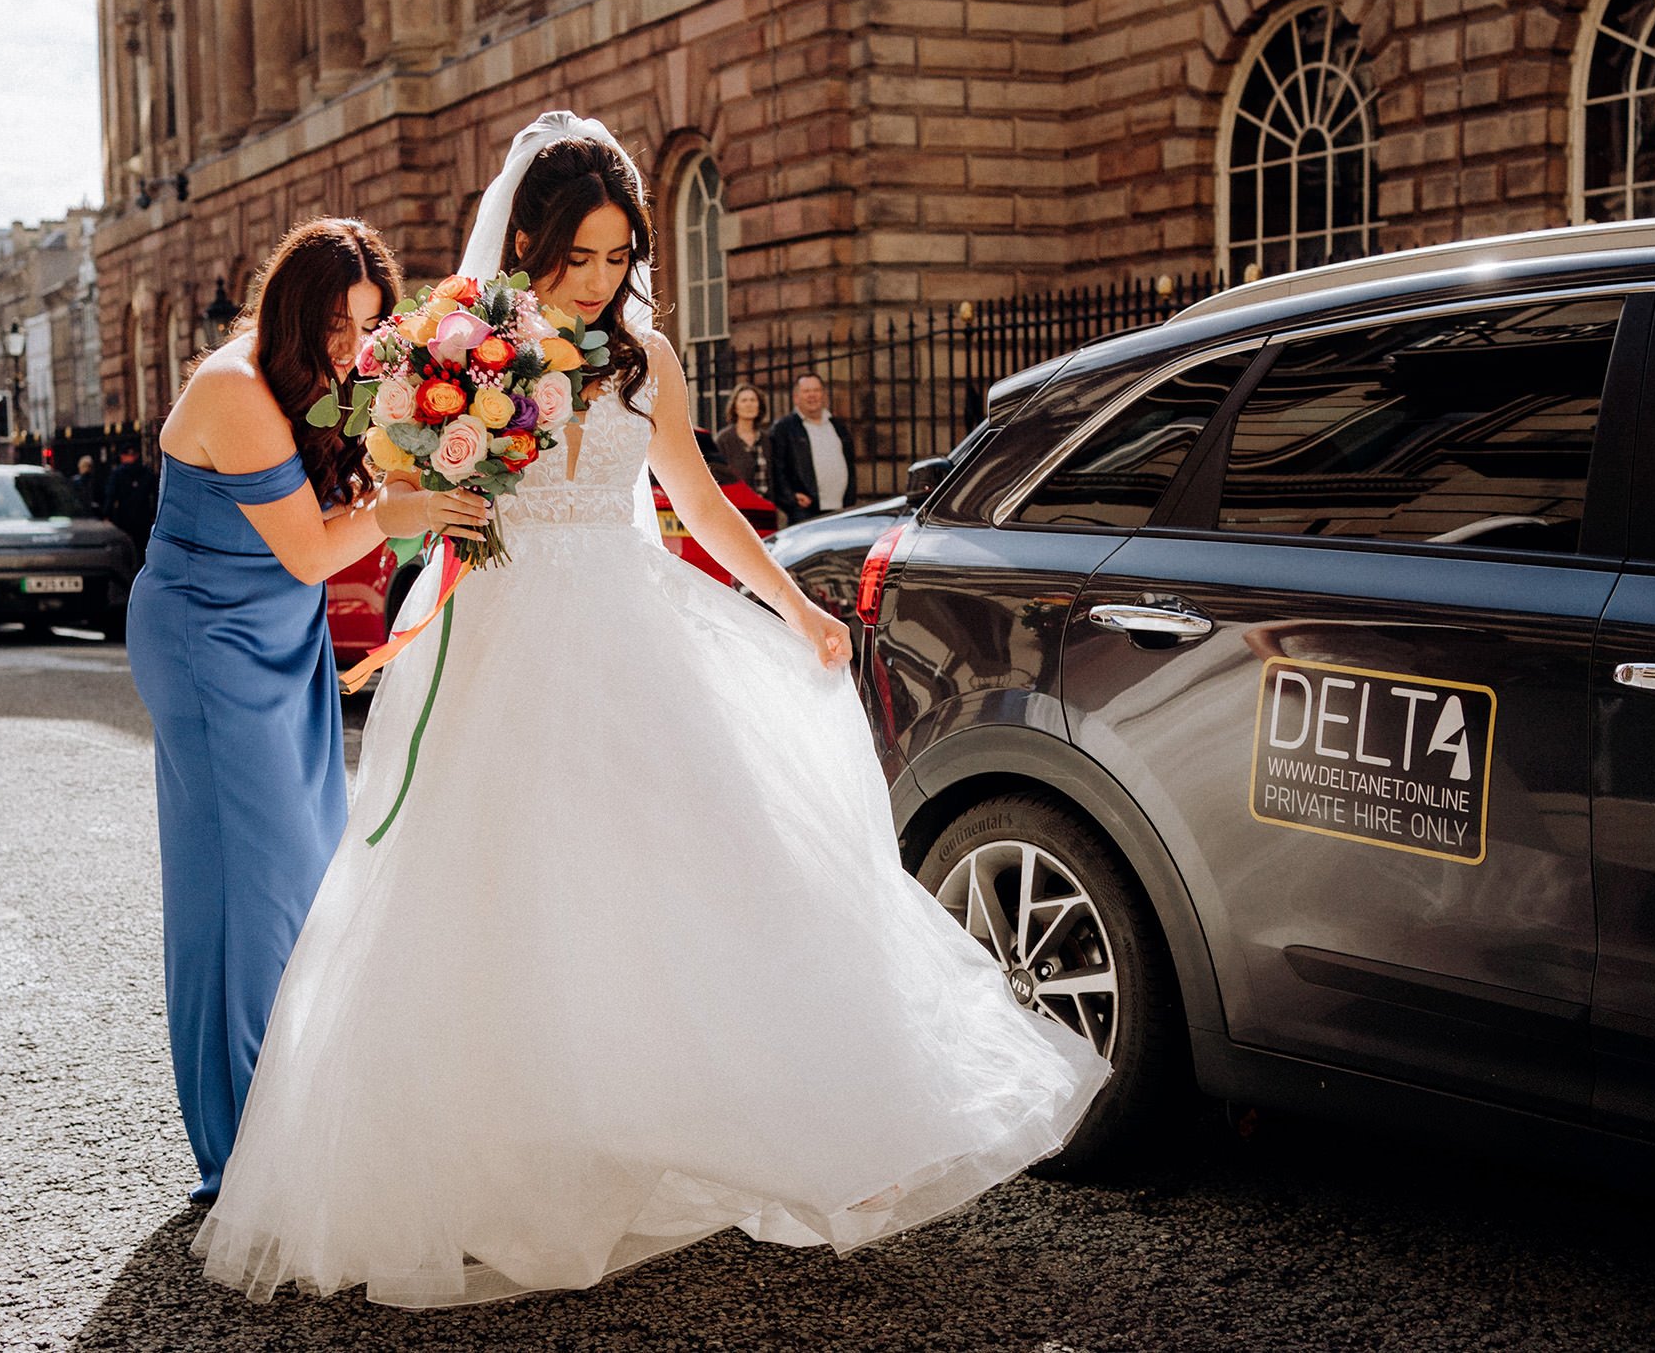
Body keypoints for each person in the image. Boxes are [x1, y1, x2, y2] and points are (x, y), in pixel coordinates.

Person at [192, 113, 1108, 1308]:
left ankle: (763, 1123)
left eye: (619, 255)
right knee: (495, 895)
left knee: (704, 873)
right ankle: (503, 1156)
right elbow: (408, 481)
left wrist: (795, 608)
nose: (599, 277)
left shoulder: (648, 360)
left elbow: (701, 507)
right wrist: (448, 481)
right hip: (504, 638)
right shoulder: (460, 343)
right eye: (577, 255)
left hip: (629, 629)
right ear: (527, 243)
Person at [125, 218, 488, 1207]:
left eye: (367, 325)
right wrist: (403, 509)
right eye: (337, 321)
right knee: (245, 892)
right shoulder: (235, 390)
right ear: (291, 302)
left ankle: (291, 1115)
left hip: (279, 638)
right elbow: (314, 550)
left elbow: (347, 503)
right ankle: (241, 1148)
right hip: (208, 642)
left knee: (300, 869)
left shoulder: (313, 381)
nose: (350, 345)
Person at [768, 370, 855, 526]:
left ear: (823, 395)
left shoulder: (837, 426)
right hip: (805, 512)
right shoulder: (784, 428)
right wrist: (791, 497)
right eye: (806, 391)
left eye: (816, 390)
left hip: (841, 509)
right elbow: (776, 468)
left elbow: (850, 464)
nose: (812, 395)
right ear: (796, 398)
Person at [102, 440, 159, 564]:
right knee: (142, 548)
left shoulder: (117, 474)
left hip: (124, 517)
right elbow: (156, 494)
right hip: (143, 516)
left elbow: (111, 496)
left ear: (122, 457)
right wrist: (154, 513)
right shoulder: (147, 473)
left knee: (125, 547)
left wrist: (107, 515)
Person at [714, 381, 770, 493]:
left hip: (766, 506)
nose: (749, 404)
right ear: (735, 407)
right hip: (738, 506)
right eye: (744, 400)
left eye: (753, 400)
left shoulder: (766, 439)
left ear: (759, 406)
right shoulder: (724, 440)